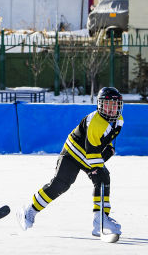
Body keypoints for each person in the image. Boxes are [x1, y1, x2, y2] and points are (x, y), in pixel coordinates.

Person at [16, 86, 124, 240]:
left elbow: (108, 141)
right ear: (100, 105)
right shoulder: (96, 122)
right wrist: (96, 167)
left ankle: (100, 219)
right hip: (73, 153)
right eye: (108, 105)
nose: (112, 109)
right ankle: (29, 210)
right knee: (60, 184)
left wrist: (107, 155)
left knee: (103, 178)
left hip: (88, 154)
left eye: (114, 105)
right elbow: (92, 149)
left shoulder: (119, 121)